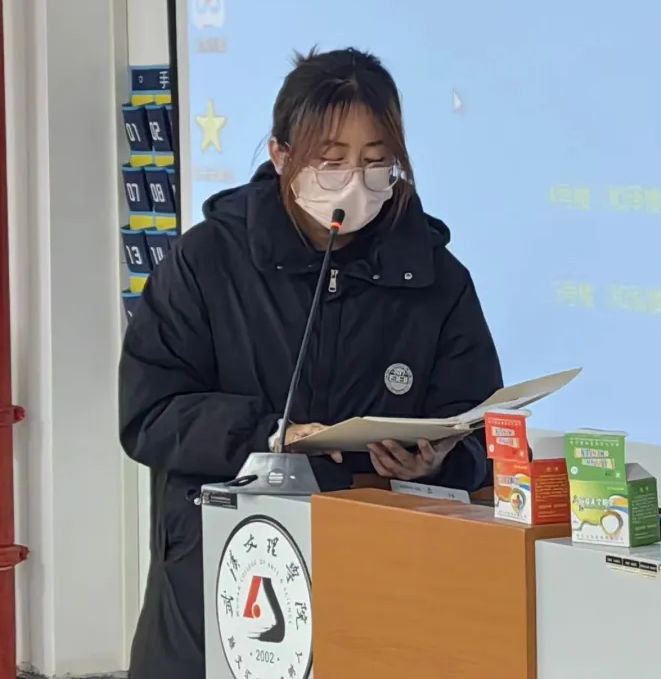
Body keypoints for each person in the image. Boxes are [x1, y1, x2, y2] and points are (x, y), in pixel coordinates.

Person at [119, 47, 503, 679]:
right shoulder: (207, 261)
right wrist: (276, 434)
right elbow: (150, 414)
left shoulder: (437, 278)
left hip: (382, 583)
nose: (356, 179)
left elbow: (480, 429)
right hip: (221, 579)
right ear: (280, 155)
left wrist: (439, 461)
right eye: (332, 160)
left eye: (376, 160)